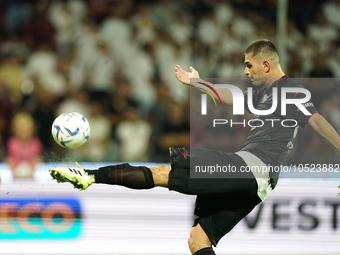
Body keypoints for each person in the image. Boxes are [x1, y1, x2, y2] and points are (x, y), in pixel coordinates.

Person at [49, 40, 340, 255]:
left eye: (249, 65)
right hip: (259, 181)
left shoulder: (289, 90)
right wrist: (198, 82)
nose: (246, 71)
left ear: (266, 65)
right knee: (198, 240)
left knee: (164, 172)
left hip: (250, 167)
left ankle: (90, 176)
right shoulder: (268, 92)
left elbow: (317, 122)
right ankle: (90, 176)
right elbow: (230, 96)